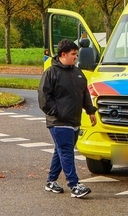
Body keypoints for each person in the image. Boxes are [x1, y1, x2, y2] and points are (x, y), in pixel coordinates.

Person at [39, 39, 97, 198]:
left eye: (76, 54)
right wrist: (56, 112)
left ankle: (51, 181)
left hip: (74, 121)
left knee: (61, 151)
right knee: (66, 152)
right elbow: (44, 98)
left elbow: (84, 94)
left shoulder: (78, 73)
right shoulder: (51, 73)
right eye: (73, 54)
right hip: (58, 122)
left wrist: (91, 111)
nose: (76, 57)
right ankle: (74, 185)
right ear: (63, 54)